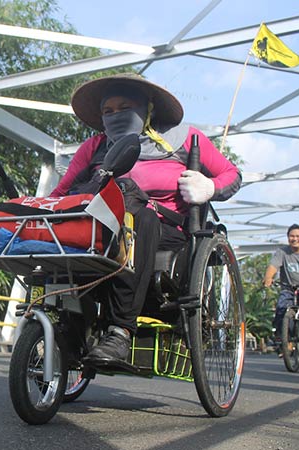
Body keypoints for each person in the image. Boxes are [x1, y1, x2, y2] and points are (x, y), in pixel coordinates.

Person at [52, 73, 242, 366]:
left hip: (164, 229)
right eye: (108, 111)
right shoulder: (95, 148)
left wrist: (209, 187)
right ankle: (70, 326)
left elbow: (232, 175)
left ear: (147, 109)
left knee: (141, 218)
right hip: (102, 227)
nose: (115, 116)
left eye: (124, 107)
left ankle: (120, 331)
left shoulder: (184, 139)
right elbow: (61, 193)